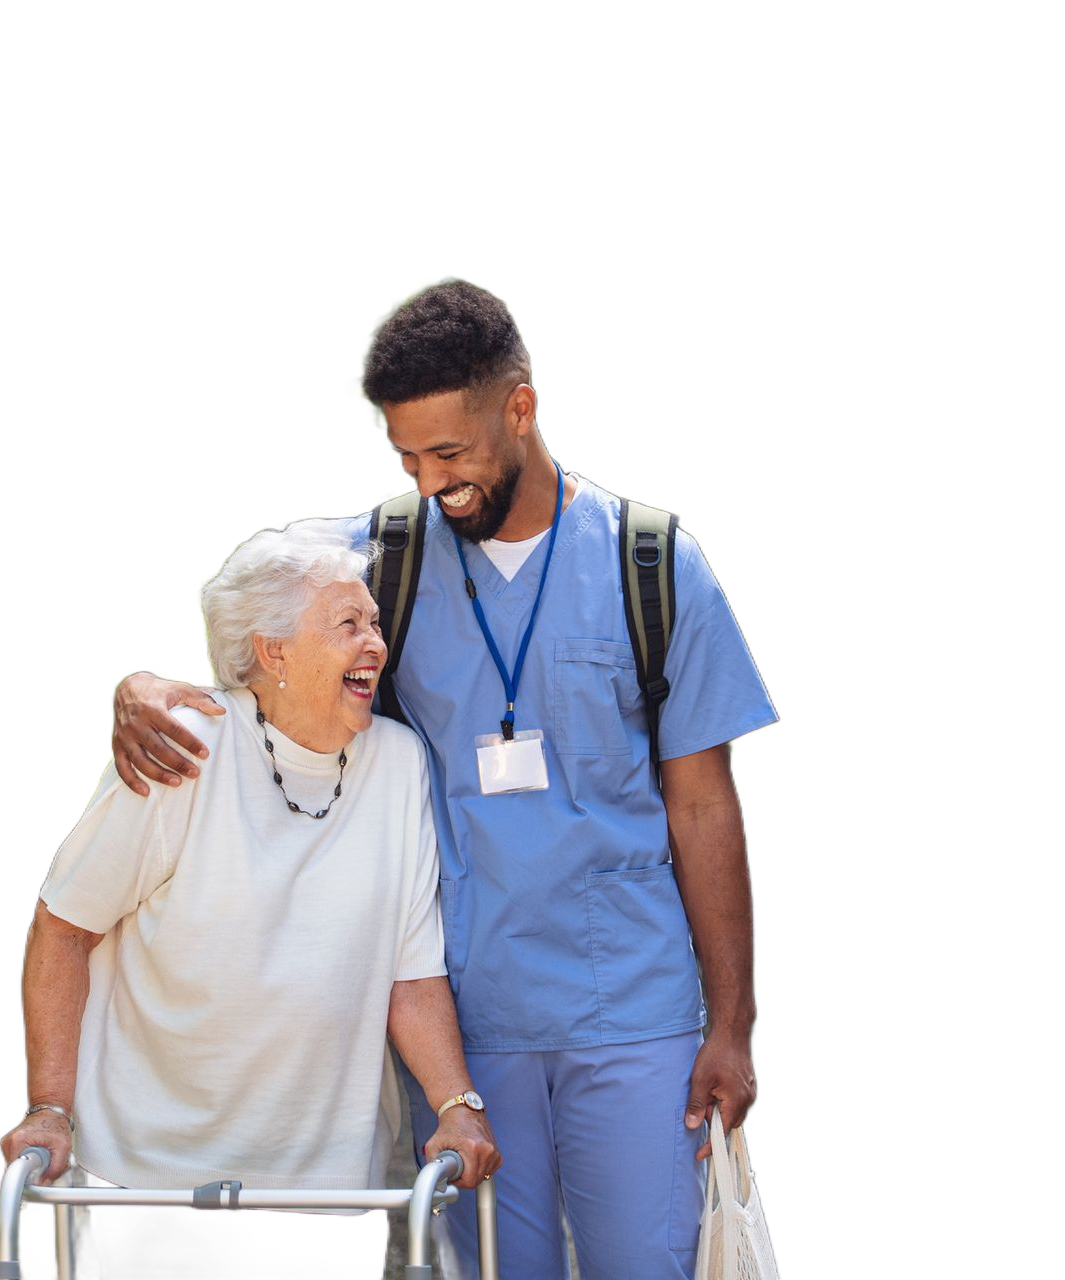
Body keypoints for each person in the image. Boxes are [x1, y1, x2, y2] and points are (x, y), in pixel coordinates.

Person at [108, 277, 779, 1280]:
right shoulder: (381, 556)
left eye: (452, 454)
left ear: (521, 406)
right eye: (409, 457)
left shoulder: (655, 564)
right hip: (465, 1031)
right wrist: (141, 683)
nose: (432, 482)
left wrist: (734, 1024)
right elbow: (251, 615)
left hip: (633, 1020)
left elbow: (703, 804)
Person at [0, 519, 501, 1279]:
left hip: (333, 1186)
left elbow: (411, 973)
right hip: (158, 1177)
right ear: (272, 652)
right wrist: (49, 1107)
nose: (376, 644)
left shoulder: (398, 766)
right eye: (347, 624)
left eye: (374, 622)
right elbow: (63, 926)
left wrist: (457, 1103)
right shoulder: (185, 746)